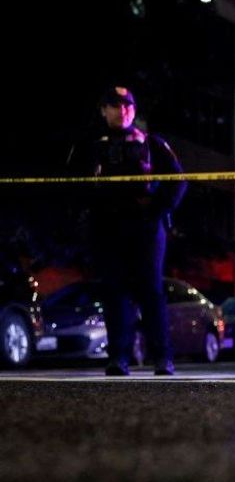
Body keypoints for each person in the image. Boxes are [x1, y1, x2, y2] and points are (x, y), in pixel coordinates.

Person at [67, 85, 186, 376]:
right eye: (115, 106)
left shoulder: (151, 142)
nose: (122, 111)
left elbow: (178, 181)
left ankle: (162, 358)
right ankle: (118, 357)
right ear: (103, 110)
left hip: (145, 226)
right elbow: (70, 182)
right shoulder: (89, 144)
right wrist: (91, 208)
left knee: (151, 290)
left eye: (127, 106)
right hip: (105, 226)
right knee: (113, 290)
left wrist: (156, 211)